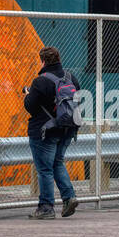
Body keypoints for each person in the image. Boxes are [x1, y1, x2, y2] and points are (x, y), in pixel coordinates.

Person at [23, 46, 80, 220]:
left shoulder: (40, 81)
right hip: (68, 128)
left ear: (43, 61)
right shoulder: (71, 78)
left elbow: (30, 107)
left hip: (45, 130)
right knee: (57, 162)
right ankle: (69, 197)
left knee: (45, 169)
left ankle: (46, 207)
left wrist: (27, 95)